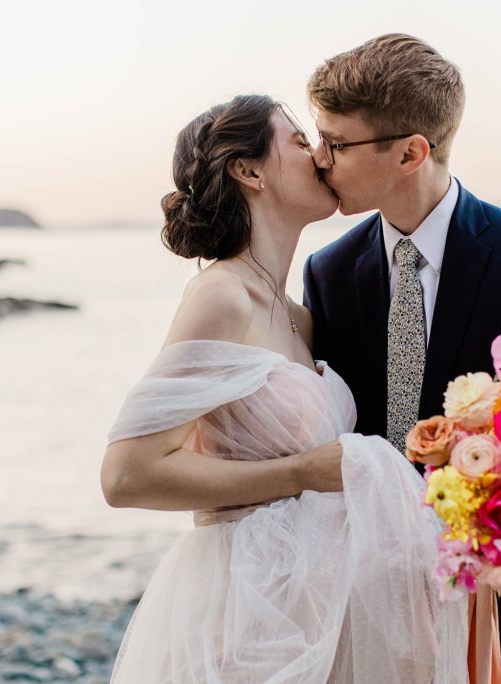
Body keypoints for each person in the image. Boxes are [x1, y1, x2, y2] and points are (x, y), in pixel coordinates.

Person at [100, 94, 468, 683]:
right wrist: (299, 472)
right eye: (300, 141)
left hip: (316, 606)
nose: (322, 155)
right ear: (248, 173)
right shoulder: (221, 297)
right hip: (247, 609)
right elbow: (126, 475)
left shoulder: (301, 317)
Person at [303, 34, 501, 684]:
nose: (319, 160)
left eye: (336, 142)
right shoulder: (329, 272)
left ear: (411, 152)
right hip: (374, 606)